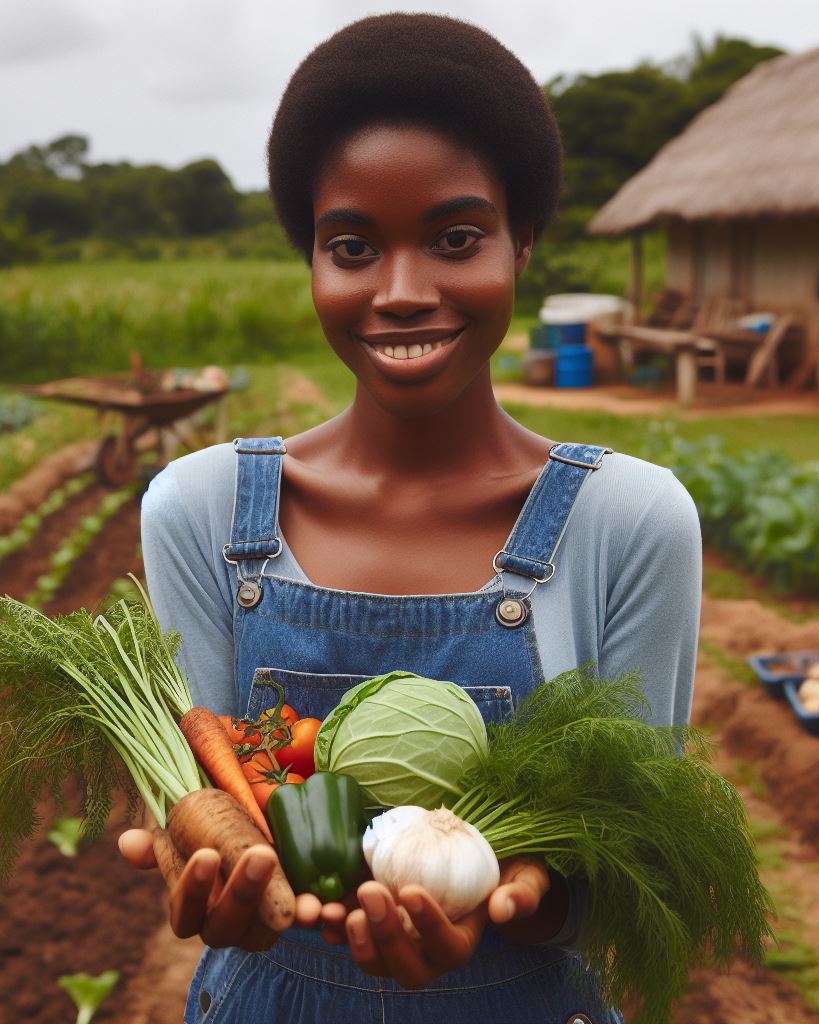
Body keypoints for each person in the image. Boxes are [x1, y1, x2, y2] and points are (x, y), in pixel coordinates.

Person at [118, 13, 701, 1023]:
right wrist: (214, 874)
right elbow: (196, 794)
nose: (401, 290)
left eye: (455, 237)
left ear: (523, 241)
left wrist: (520, 900)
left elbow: (636, 856)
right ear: (311, 260)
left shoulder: (630, 520)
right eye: (352, 246)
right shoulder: (199, 507)